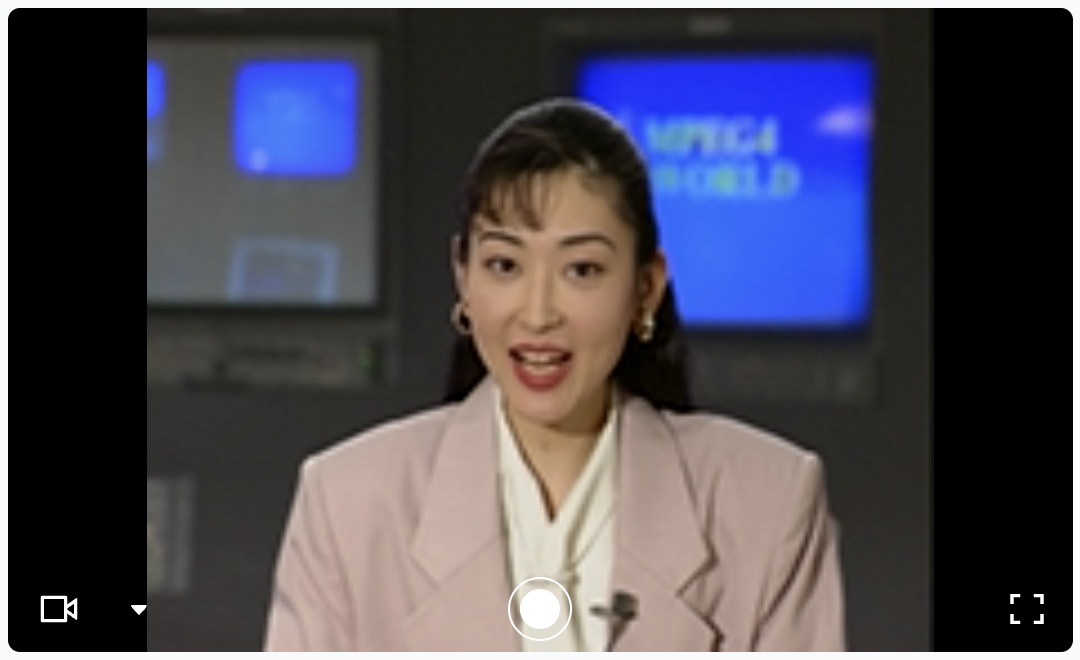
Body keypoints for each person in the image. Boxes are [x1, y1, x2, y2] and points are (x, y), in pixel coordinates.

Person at [264, 98, 845, 652]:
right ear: (464, 278)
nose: (538, 313)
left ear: (645, 287)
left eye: (582, 269)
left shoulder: (767, 501)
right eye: (504, 265)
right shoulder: (349, 502)